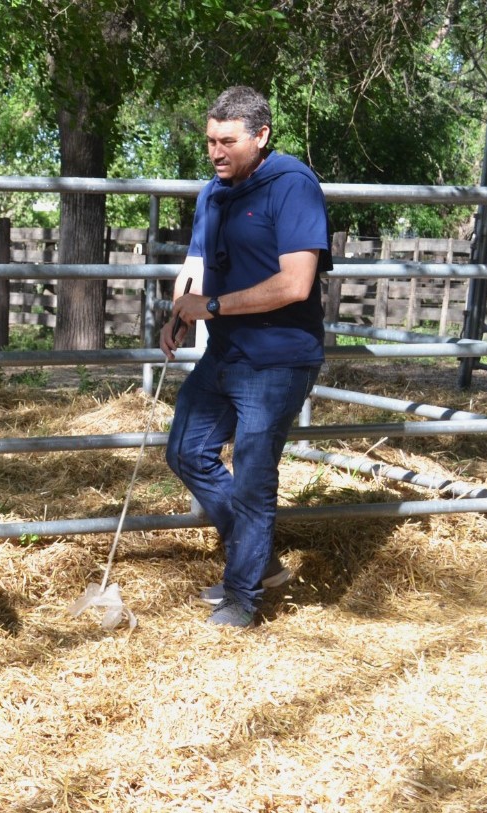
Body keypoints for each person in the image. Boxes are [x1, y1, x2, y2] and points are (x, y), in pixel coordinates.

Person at [159, 85, 331, 628]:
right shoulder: (215, 191)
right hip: (226, 351)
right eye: (210, 141)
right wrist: (179, 316)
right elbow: (198, 260)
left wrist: (208, 305)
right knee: (186, 452)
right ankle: (259, 563)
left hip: (278, 358)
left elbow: (295, 284)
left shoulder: (293, 186)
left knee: (254, 476)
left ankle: (242, 598)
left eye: (227, 141)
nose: (215, 152)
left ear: (261, 135)